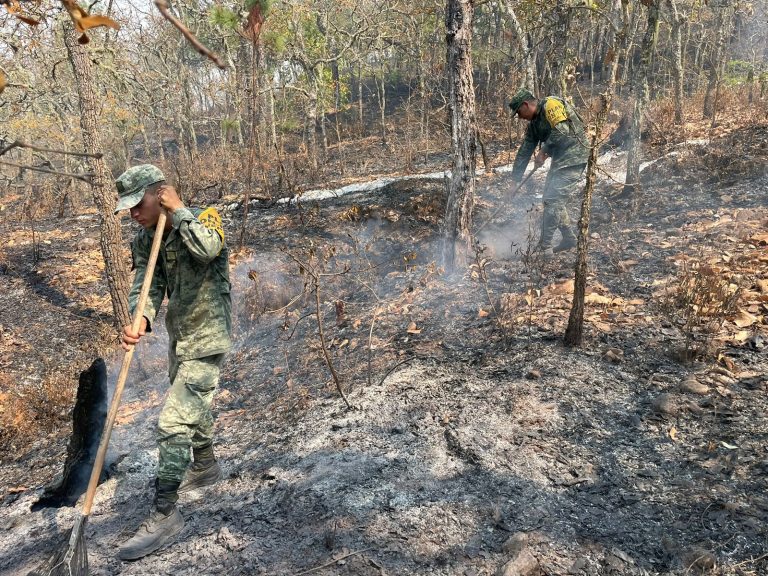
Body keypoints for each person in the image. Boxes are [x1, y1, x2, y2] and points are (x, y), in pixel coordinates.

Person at [113, 164, 232, 560]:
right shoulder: (146, 240)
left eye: (137, 204)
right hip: (180, 339)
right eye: (126, 208)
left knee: (173, 421)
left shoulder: (203, 219)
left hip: (208, 335)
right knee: (193, 411)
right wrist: (140, 319)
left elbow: (207, 249)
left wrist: (178, 211)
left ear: (159, 193)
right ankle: (206, 467)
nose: (132, 213)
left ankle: (165, 516)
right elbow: (148, 287)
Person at [508, 88, 588, 260]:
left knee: (553, 201)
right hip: (561, 159)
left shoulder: (551, 105)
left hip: (575, 155)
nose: (520, 117)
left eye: (519, 112)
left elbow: (563, 130)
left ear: (526, 104)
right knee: (550, 199)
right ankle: (568, 239)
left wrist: (544, 151)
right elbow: (524, 151)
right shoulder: (534, 125)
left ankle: (544, 248)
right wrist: (514, 181)